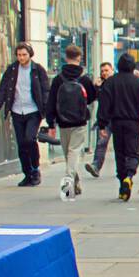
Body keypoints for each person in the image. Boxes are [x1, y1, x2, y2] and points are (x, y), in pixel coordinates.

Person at [96, 54, 139, 201]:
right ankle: (129, 175)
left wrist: (102, 124)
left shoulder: (110, 82)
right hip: (133, 123)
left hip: (116, 123)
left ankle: (122, 183)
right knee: (133, 153)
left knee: (120, 153)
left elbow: (104, 104)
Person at [0, 42, 49, 187]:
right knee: (22, 144)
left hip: (33, 111)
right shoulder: (12, 70)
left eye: (24, 55)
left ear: (30, 55)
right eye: (19, 55)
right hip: (17, 111)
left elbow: (45, 91)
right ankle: (27, 173)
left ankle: (35, 170)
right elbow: (3, 89)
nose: (21, 58)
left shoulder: (38, 70)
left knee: (30, 139)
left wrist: (47, 110)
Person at [45, 44, 97, 201]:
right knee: (74, 152)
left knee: (69, 153)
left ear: (66, 58)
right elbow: (92, 97)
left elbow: (51, 102)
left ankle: (73, 183)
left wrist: (51, 123)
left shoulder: (58, 79)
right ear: (79, 58)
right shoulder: (84, 79)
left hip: (63, 122)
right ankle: (70, 182)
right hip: (80, 121)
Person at [84, 61, 115, 179]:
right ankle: (96, 166)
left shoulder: (117, 82)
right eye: (102, 71)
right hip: (104, 119)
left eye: (106, 70)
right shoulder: (101, 85)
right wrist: (96, 87)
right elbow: (94, 99)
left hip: (118, 118)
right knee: (101, 143)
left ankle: (123, 168)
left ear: (112, 70)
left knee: (120, 145)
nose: (104, 73)